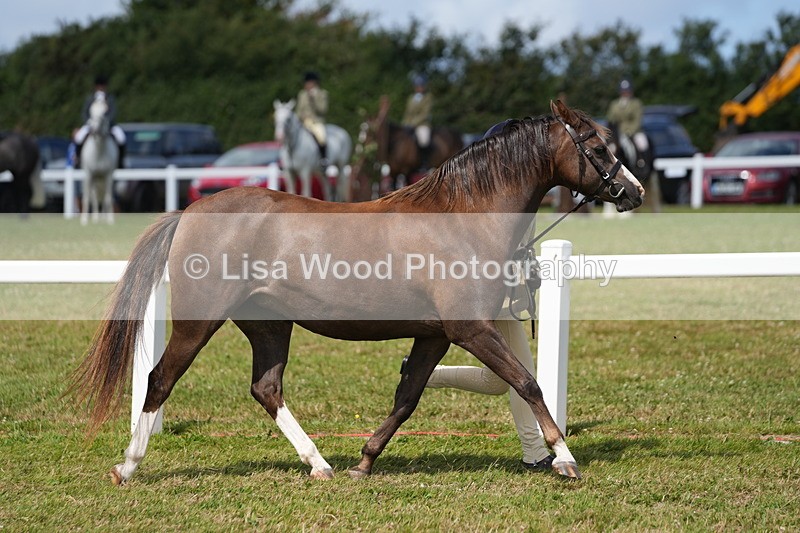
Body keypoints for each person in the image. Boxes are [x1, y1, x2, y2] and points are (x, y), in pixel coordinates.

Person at [404, 119, 555, 473]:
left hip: (506, 289)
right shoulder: (483, 197)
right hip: (487, 292)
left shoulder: (518, 191)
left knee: (497, 381)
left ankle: (427, 373)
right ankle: (534, 451)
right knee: (522, 373)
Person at [73, 75, 126, 168]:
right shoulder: (90, 99)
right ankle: (78, 160)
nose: (101, 88)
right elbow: (84, 113)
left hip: (108, 126)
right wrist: (89, 122)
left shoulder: (110, 98)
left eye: (103, 86)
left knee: (121, 138)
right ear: (96, 87)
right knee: (79, 137)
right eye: (99, 86)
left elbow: (113, 112)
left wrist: (107, 122)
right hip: (92, 125)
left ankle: (120, 162)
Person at [606, 79, 649, 168]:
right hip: (618, 133)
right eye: (623, 91)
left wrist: (630, 131)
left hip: (633, 131)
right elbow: (610, 119)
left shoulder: (636, 103)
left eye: (627, 91)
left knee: (643, 144)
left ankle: (642, 164)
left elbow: (637, 120)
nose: (625, 93)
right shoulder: (614, 104)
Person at [401, 75, 434, 170]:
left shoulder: (428, 97)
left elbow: (425, 114)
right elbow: (407, 113)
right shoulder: (411, 98)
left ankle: (424, 163)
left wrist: (413, 123)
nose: (420, 88)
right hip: (408, 124)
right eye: (418, 86)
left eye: (421, 86)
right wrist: (404, 124)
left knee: (424, 140)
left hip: (422, 124)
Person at [296, 71, 329, 163]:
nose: (307, 85)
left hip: (316, 122)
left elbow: (322, 110)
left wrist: (313, 99)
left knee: (321, 137)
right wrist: (299, 118)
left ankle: (323, 158)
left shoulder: (322, 94)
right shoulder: (302, 94)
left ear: (314, 83)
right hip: (303, 122)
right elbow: (299, 110)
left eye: (309, 83)